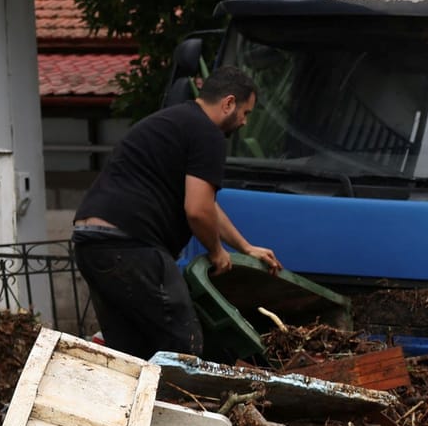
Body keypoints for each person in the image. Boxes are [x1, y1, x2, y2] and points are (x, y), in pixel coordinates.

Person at [71, 66, 280, 359]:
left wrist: (244, 247)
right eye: (245, 113)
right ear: (228, 103)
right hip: (132, 246)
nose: (244, 122)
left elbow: (207, 204)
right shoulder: (209, 134)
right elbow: (197, 210)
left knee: (129, 353)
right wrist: (217, 252)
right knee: (183, 345)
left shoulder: (177, 121)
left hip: (92, 243)